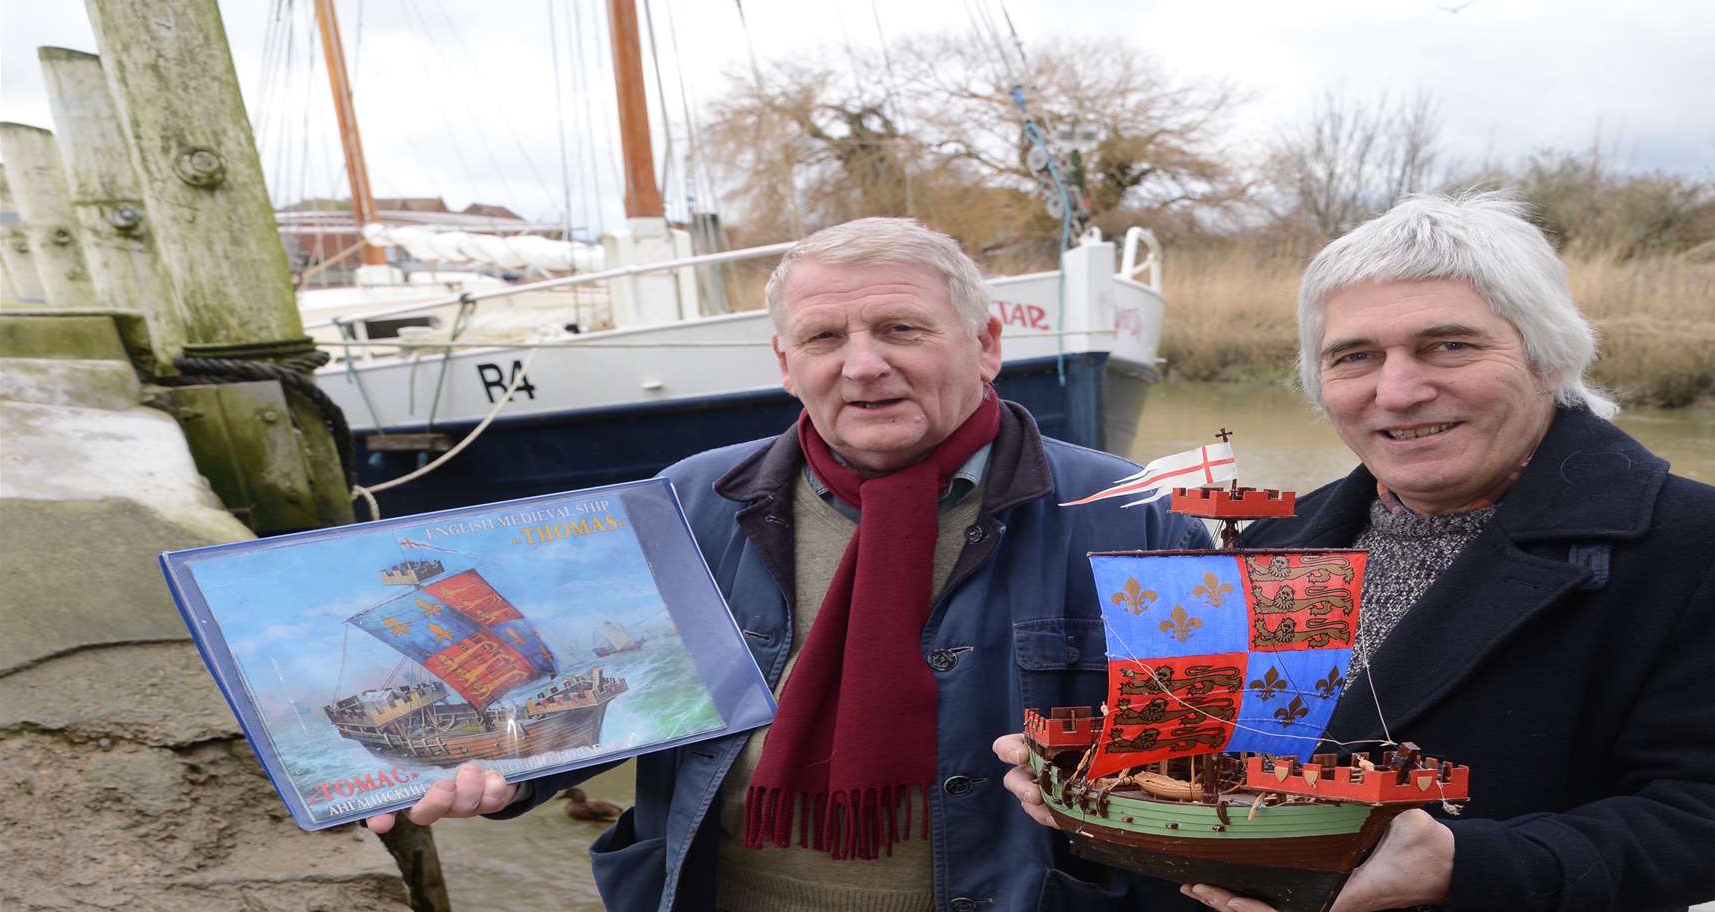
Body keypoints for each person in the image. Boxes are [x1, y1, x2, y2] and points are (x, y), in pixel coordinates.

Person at [996, 192, 1715, 911]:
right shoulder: (1275, 540)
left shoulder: (1709, 547)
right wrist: (1096, 780)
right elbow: (1212, 751)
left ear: (1547, 356)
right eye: (1354, 356)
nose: (1397, 390)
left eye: (1449, 346)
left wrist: (1468, 869)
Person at [370, 216, 1210, 912]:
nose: (863, 364)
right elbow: (602, 695)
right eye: (824, 337)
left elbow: (1216, 773)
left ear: (987, 344)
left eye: (901, 330)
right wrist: (499, 777)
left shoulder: (1138, 517)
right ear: (784, 364)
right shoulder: (687, 505)